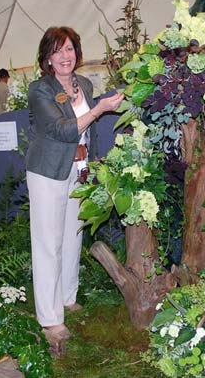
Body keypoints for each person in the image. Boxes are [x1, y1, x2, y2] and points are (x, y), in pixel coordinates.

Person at [26, 27, 124, 343]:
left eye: (69, 49)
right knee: (48, 244)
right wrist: (99, 109)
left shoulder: (84, 83)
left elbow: (86, 134)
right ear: (47, 58)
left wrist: (92, 162)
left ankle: (68, 297)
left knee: (73, 237)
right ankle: (50, 318)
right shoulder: (40, 90)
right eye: (57, 51)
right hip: (48, 172)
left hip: (78, 170)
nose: (65, 56)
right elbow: (63, 129)